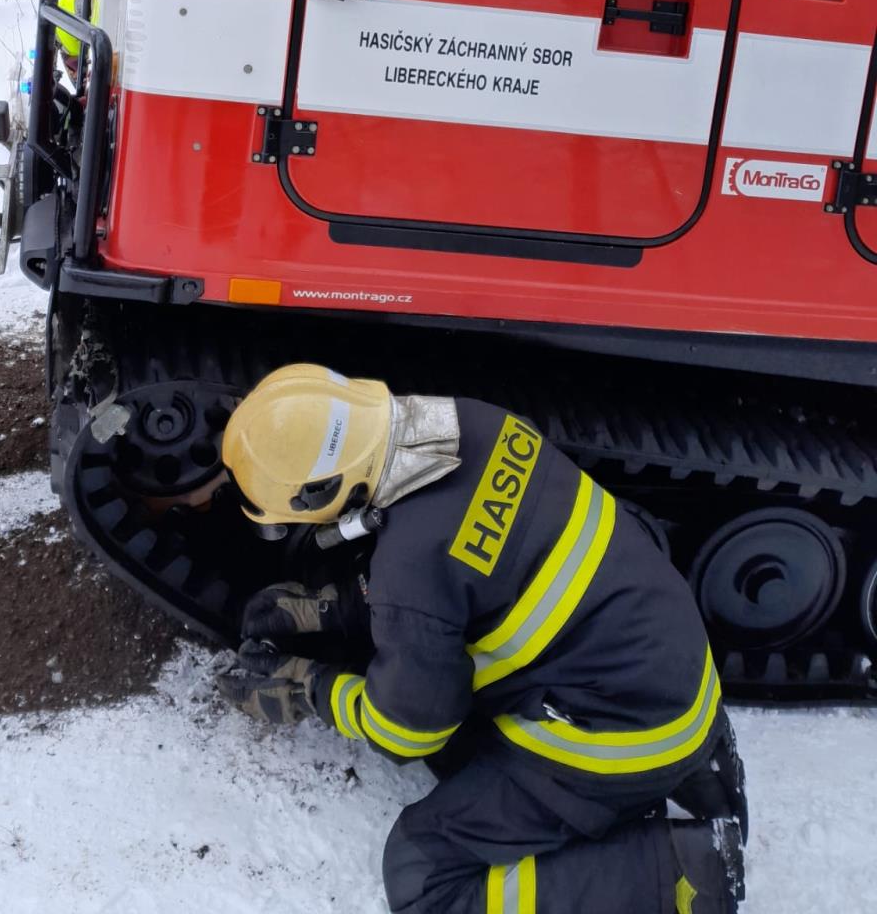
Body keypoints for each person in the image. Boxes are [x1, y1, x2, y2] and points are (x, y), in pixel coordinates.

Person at [216, 364, 747, 914]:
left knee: (423, 875)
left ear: (323, 489)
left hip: (626, 736)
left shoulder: (412, 569)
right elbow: (464, 569)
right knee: (459, 739)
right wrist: (334, 608)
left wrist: (311, 690)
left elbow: (407, 733)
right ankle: (691, 768)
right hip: (669, 667)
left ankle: (680, 875)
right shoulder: (474, 422)